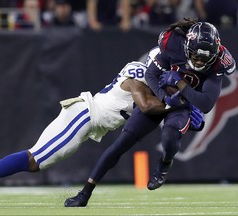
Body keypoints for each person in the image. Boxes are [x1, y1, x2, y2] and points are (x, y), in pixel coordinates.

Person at [0, 56, 176, 207]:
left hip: (86, 120)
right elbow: (146, 106)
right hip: (84, 115)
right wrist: (177, 103)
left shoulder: (148, 80)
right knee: (34, 160)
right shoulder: (139, 75)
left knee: (34, 159)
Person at [64, 18, 236, 207]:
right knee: (123, 141)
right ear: (186, 46)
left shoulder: (220, 61)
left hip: (184, 104)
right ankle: (85, 193)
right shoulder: (173, 43)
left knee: (170, 136)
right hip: (160, 96)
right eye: (196, 55)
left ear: (215, 53)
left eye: (205, 58)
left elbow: (205, 104)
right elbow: (151, 75)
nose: (199, 61)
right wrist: (164, 98)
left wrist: (179, 83)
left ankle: (165, 162)